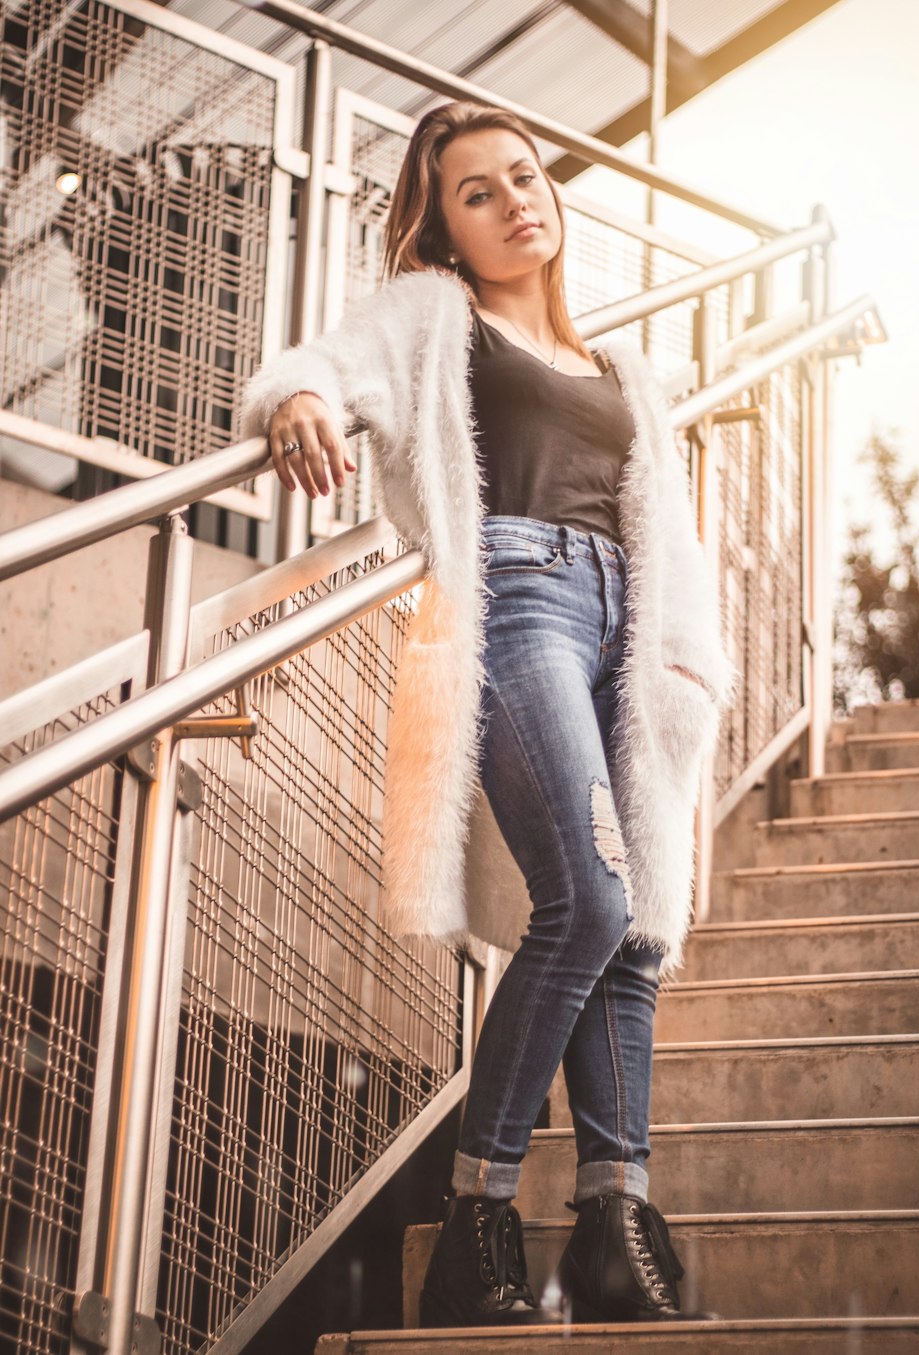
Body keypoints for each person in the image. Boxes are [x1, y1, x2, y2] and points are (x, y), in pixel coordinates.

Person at [238, 101, 739, 1328]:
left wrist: (687, 661)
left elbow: (663, 532)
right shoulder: (430, 314)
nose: (519, 200)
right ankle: (479, 1216)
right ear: (445, 229)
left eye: (527, 176)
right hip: (520, 605)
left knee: (633, 938)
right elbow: (321, 367)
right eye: (479, 192)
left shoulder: (621, 370)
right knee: (590, 896)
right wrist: (294, 403)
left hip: (633, 634)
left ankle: (616, 1223)